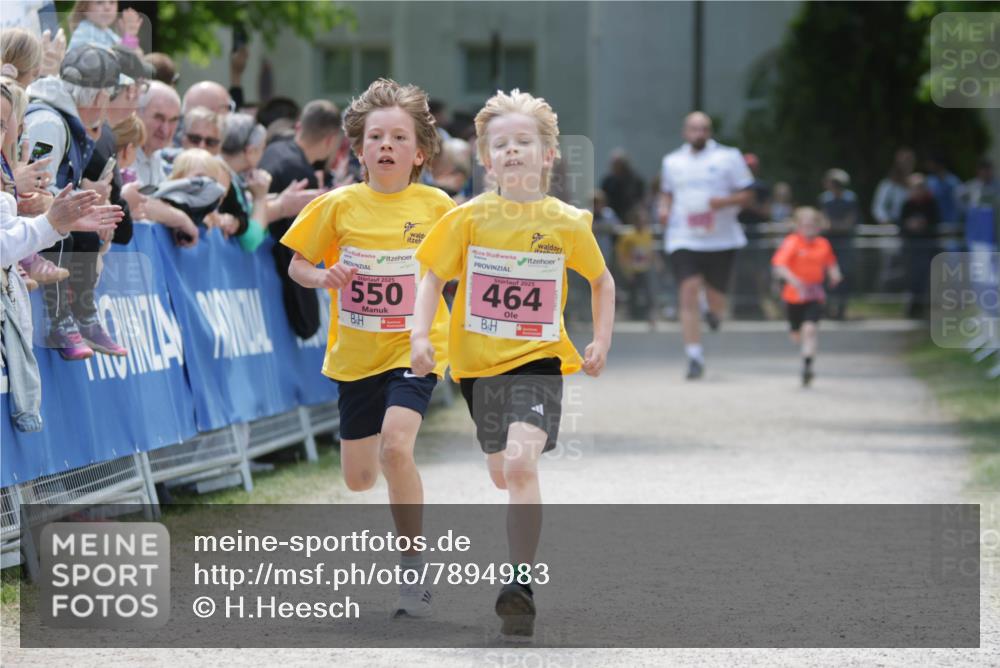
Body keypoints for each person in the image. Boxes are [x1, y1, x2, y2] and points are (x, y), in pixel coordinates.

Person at [410, 89, 615, 641]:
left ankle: (519, 584)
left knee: (521, 467)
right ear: (485, 158)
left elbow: (601, 281)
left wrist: (600, 340)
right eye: (501, 144)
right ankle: (511, 507)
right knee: (502, 470)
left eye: (525, 141)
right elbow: (432, 278)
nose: (514, 151)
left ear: (549, 154)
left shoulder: (567, 221)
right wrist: (419, 337)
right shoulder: (467, 218)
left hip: (537, 362)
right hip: (479, 369)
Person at [280, 78, 453, 618]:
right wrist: (323, 276)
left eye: (399, 138)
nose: (386, 146)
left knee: (396, 448)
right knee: (359, 478)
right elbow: (297, 265)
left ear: (419, 152)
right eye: (376, 137)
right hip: (356, 356)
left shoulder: (437, 205)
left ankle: (414, 573)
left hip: (416, 347)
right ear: (358, 149)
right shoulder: (337, 205)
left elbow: (461, 271)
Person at [657, 111, 754, 379]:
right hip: (684, 237)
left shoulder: (728, 157)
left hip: (721, 239)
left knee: (717, 301)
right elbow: (667, 193)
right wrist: (663, 209)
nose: (699, 133)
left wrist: (723, 202)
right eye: (694, 128)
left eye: (704, 129)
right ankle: (694, 356)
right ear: (684, 131)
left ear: (710, 132)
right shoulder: (672, 161)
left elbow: (748, 194)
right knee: (688, 290)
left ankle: (712, 312)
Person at [259, 98, 340, 338]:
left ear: (298, 126)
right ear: (330, 140)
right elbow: (300, 248)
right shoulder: (304, 177)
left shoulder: (274, 149)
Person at [771, 207, 842, 387]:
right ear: (797, 226)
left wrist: (835, 274)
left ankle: (807, 366)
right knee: (796, 334)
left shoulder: (823, 244)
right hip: (793, 296)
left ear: (818, 226)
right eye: (804, 224)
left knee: (810, 330)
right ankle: (798, 336)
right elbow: (779, 266)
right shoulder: (792, 242)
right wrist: (794, 280)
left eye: (812, 224)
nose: (808, 228)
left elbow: (831, 263)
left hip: (814, 294)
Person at [135, 80, 199, 245]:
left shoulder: (155, 156)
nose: (165, 129)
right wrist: (181, 219)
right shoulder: (122, 151)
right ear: (136, 112)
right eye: (159, 118)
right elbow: (134, 203)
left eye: (173, 120)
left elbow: (161, 204)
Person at [219, 112, 272, 252]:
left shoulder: (231, 175)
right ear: (250, 151)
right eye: (262, 149)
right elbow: (250, 240)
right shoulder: (225, 177)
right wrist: (260, 198)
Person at [818, 168, 858, 320]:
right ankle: (827, 307)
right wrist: (835, 226)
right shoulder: (825, 199)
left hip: (844, 243)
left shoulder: (850, 199)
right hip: (829, 243)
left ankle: (841, 309)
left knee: (844, 274)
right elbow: (824, 222)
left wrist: (834, 226)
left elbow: (848, 223)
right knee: (826, 275)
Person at [899, 173, 940, 319]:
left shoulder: (931, 203)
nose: (918, 190)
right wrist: (910, 225)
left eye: (921, 187)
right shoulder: (907, 204)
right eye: (916, 187)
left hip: (927, 248)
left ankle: (925, 308)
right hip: (911, 248)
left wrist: (923, 224)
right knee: (912, 279)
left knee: (926, 279)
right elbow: (901, 225)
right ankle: (912, 309)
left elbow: (935, 223)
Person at [616, 206, 656, 326]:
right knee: (632, 293)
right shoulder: (628, 236)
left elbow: (650, 250)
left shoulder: (647, 233)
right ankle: (631, 314)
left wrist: (656, 262)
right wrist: (626, 269)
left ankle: (650, 315)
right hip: (632, 269)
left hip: (645, 268)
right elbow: (621, 253)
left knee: (649, 291)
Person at [67, 1, 142, 51]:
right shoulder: (84, 32)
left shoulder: (108, 32)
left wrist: (129, 36)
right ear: (85, 9)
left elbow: (133, 56)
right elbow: (114, 59)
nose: (107, 7)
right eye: (99, 2)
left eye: (112, 2)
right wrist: (129, 36)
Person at [871, 147, 914, 226]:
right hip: (891, 227)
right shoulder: (887, 185)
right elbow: (878, 208)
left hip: (910, 227)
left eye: (910, 162)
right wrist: (886, 222)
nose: (907, 165)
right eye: (904, 162)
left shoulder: (917, 184)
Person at [600, 148, 645, 222]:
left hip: (631, 218)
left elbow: (641, 199)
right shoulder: (608, 181)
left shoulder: (636, 180)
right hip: (611, 218)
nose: (614, 167)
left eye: (617, 164)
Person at [925, 154, 962, 225]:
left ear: (939, 164)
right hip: (934, 222)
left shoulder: (953, 181)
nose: (929, 166)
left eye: (931, 164)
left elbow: (960, 203)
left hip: (951, 222)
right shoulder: (930, 181)